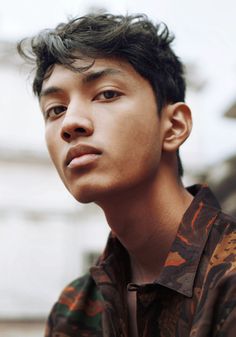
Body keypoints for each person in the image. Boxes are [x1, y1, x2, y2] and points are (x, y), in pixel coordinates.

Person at [18, 13, 236, 337]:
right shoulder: (73, 310)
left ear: (174, 126)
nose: (70, 124)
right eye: (56, 109)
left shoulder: (227, 280)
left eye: (106, 94)